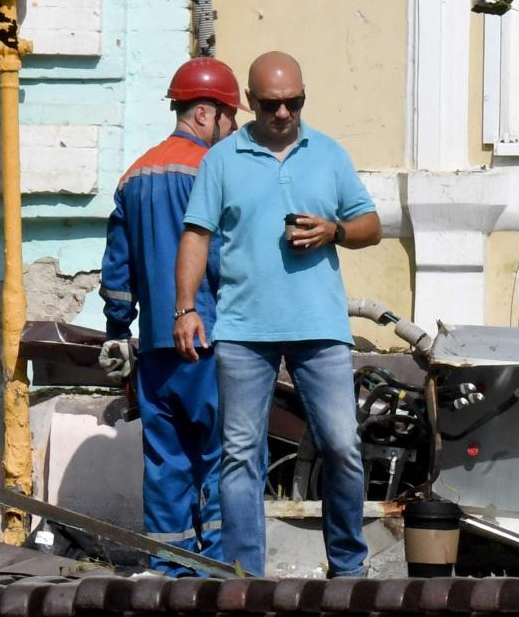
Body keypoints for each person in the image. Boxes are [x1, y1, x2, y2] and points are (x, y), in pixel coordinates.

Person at [173, 50, 381, 577]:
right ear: (249, 101)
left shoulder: (328, 154)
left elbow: (371, 226)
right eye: (271, 105)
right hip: (244, 329)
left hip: (320, 326)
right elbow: (196, 234)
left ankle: (348, 567)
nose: (284, 114)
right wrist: (185, 308)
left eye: (294, 103)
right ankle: (246, 578)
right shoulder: (221, 160)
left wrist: (333, 231)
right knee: (240, 455)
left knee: (342, 445)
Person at [98, 57, 242, 574]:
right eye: (231, 118)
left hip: (156, 346)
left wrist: (119, 332)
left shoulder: (133, 174)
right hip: (210, 339)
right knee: (222, 455)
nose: (234, 130)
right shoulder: (212, 171)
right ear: (206, 114)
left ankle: (166, 572)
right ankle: (218, 570)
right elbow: (226, 257)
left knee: (165, 462)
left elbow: (117, 272)